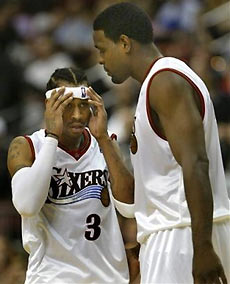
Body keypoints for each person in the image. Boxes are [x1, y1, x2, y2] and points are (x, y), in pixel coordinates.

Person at [92, 2, 230, 284]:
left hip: (183, 236)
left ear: (124, 43)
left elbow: (196, 162)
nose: (101, 61)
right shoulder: (154, 86)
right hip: (177, 235)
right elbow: (140, 197)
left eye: (103, 49)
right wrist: (103, 138)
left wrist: (201, 248)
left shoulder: (165, 80)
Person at [7, 67, 137, 283]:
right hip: (52, 277)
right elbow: (27, 206)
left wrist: (103, 138)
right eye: (67, 106)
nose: (77, 115)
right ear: (49, 106)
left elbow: (130, 207)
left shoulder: (104, 142)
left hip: (108, 277)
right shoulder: (27, 146)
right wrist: (52, 137)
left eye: (83, 106)